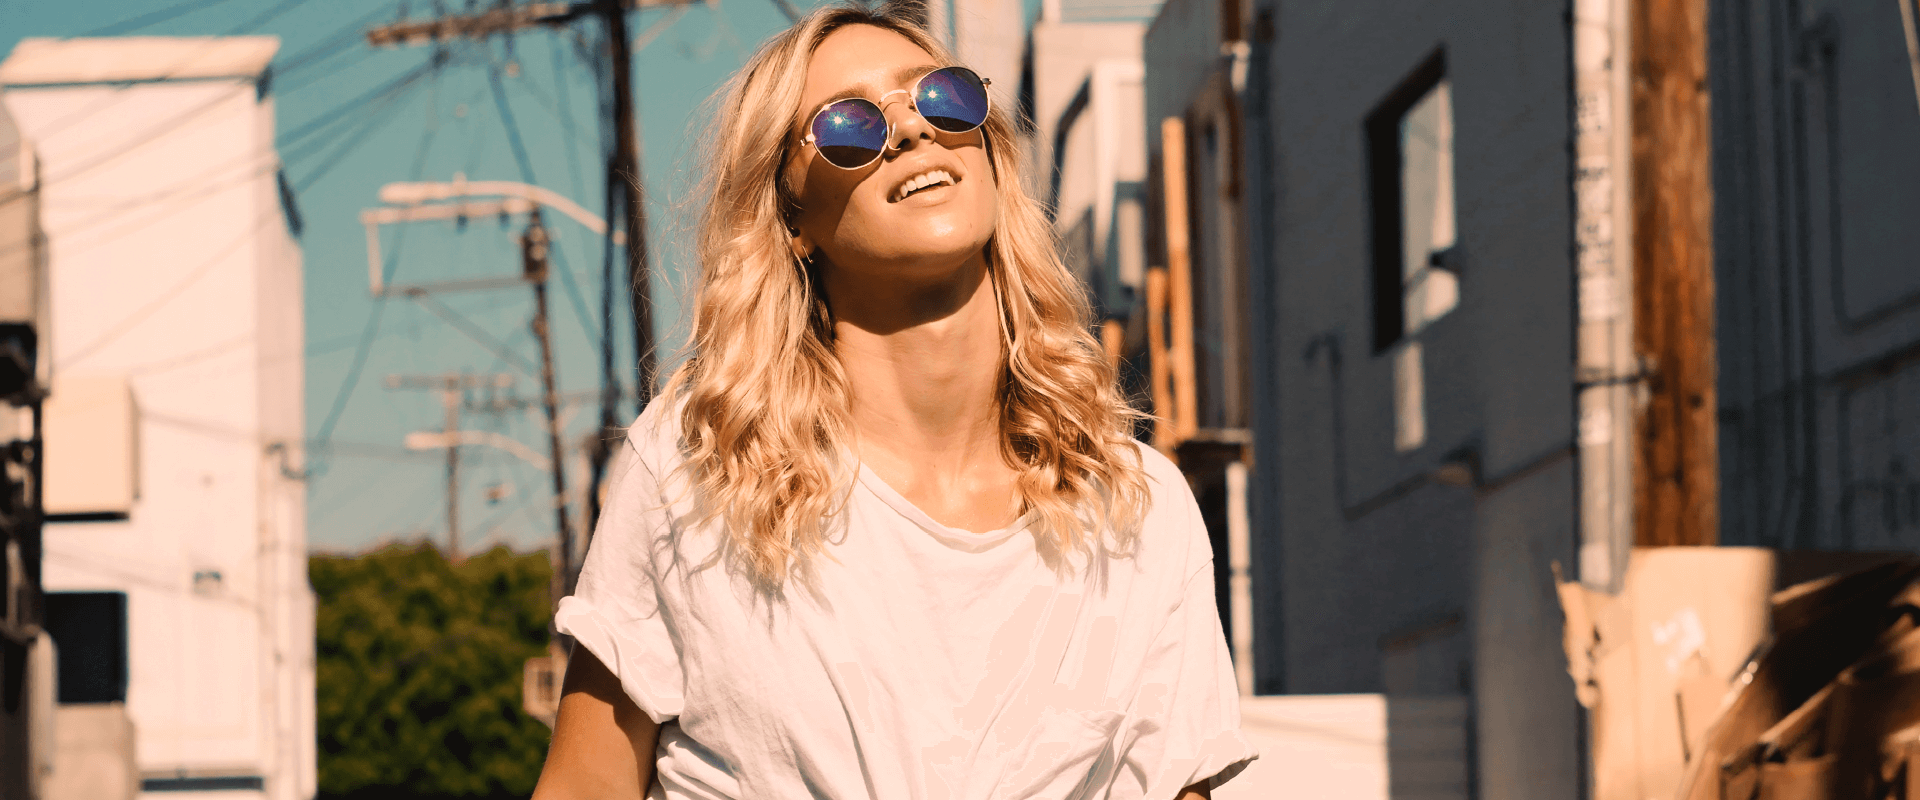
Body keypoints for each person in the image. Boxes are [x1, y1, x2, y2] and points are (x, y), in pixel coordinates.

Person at [529, 4, 1255, 799]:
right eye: (848, 124)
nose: (912, 131)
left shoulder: (1138, 506)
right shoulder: (698, 466)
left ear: (988, 149)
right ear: (792, 216)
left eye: (942, 97)